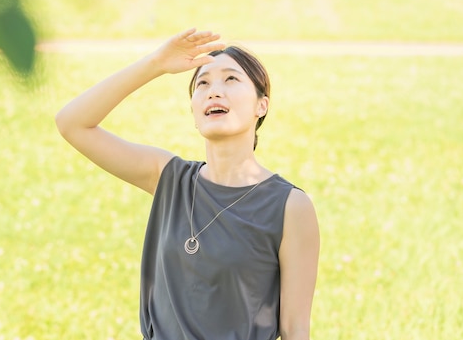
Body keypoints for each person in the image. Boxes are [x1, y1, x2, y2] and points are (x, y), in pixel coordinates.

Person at [55, 28, 320, 340]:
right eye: (202, 83)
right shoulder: (168, 178)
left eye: (231, 79)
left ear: (261, 105)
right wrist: (155, 63)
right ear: (195, 111)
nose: (213, 91)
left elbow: (295, 329)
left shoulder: (290, 206)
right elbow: (72, 123)